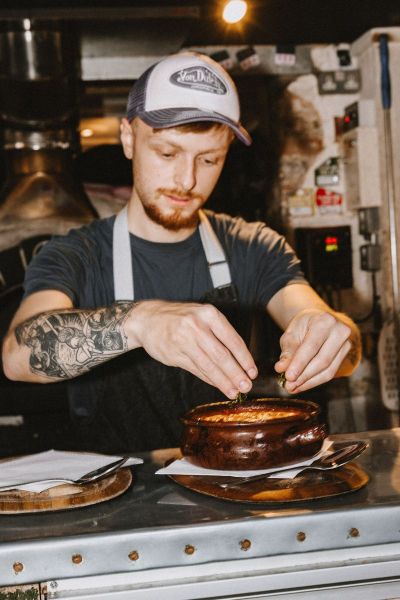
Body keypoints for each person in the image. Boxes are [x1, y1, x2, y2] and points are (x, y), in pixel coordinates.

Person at [2, 52, 361, 453]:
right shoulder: (75, 255)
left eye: (209, 160)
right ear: (128, 138)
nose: (187, 180)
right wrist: (138, 323)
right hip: (121, 500)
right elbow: (19, 355)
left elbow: (338, 340)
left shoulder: (254, 247)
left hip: (231, 486)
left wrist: (332, 335)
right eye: (167, 154)